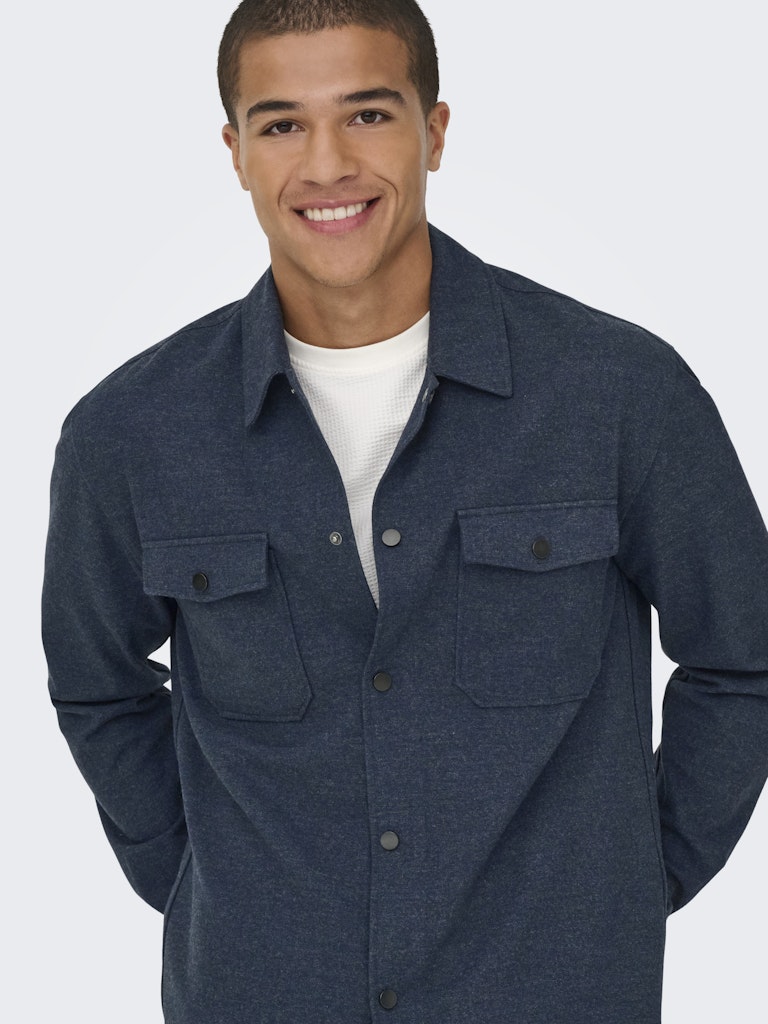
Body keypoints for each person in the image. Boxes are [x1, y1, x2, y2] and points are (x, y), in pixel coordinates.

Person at [41, 1, 768, 1021]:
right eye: (282, 124)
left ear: (434, 129)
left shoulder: (618, 394)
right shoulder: (130, 433)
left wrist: (636, 877)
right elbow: (97, 684)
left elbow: (743, 656)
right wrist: (196, 880)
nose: (327, 164)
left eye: (368, 115)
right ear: (236, 151)